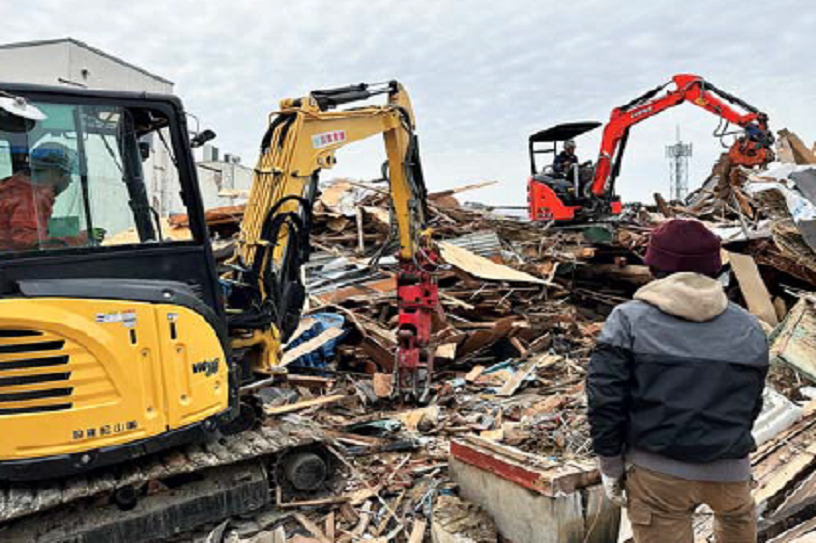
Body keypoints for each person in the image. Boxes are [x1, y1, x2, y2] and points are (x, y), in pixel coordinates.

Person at [587, 219, 768, 542]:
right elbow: (751, 402)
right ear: (715, 268)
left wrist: (610, 465)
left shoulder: (628, 320)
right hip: (732, 473)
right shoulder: (749, 327)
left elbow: (606, 399)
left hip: (658, 475)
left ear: (653, 265)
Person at [0, 142, 79, 250]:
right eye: (68, 174)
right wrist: (80, 239)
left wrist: (64, 229)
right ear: (56, 172)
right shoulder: (30, 197)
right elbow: (27, 240)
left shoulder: (11, 188)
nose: (70, 180)